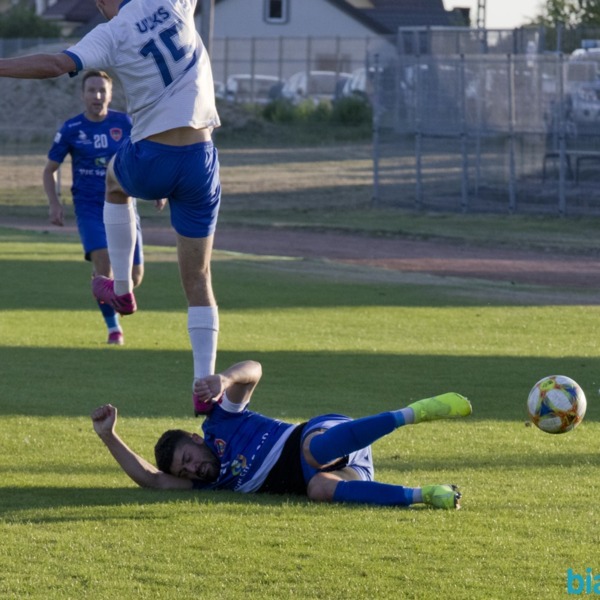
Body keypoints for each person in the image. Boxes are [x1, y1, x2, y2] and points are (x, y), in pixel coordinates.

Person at [0, 0, 221, 413]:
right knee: (199, 279)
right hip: (200, 160)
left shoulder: (112, 31)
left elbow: (54, 63)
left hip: (154, 155)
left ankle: (121, 289)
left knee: (115, 181)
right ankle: (204, 388)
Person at [91, 360, 473, 509]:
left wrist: (225, 378)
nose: (193, 470)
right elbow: (153, 480)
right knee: (318, 489)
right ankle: (425, 495)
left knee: (313, 451)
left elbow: (254, 371)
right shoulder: (209, 484)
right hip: (343, 468)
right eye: (185, 472)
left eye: (188, 460)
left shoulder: (220, 423)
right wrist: (109, 435)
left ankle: (412, 413)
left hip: (321, 434)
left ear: (195, 438)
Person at [43, 69, 156, 346]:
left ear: (110, 94)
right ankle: (113, 328)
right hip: (89, 207)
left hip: (124, 205)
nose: (97, 95)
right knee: (105, 266)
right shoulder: (71, 129)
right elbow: (50, 170)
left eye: (102, 90)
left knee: (134, 277)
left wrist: (157, 189)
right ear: (83, 95)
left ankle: (106, 290)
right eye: (91, 90)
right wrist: (54, 203)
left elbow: (148, 157)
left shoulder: (125, 123)